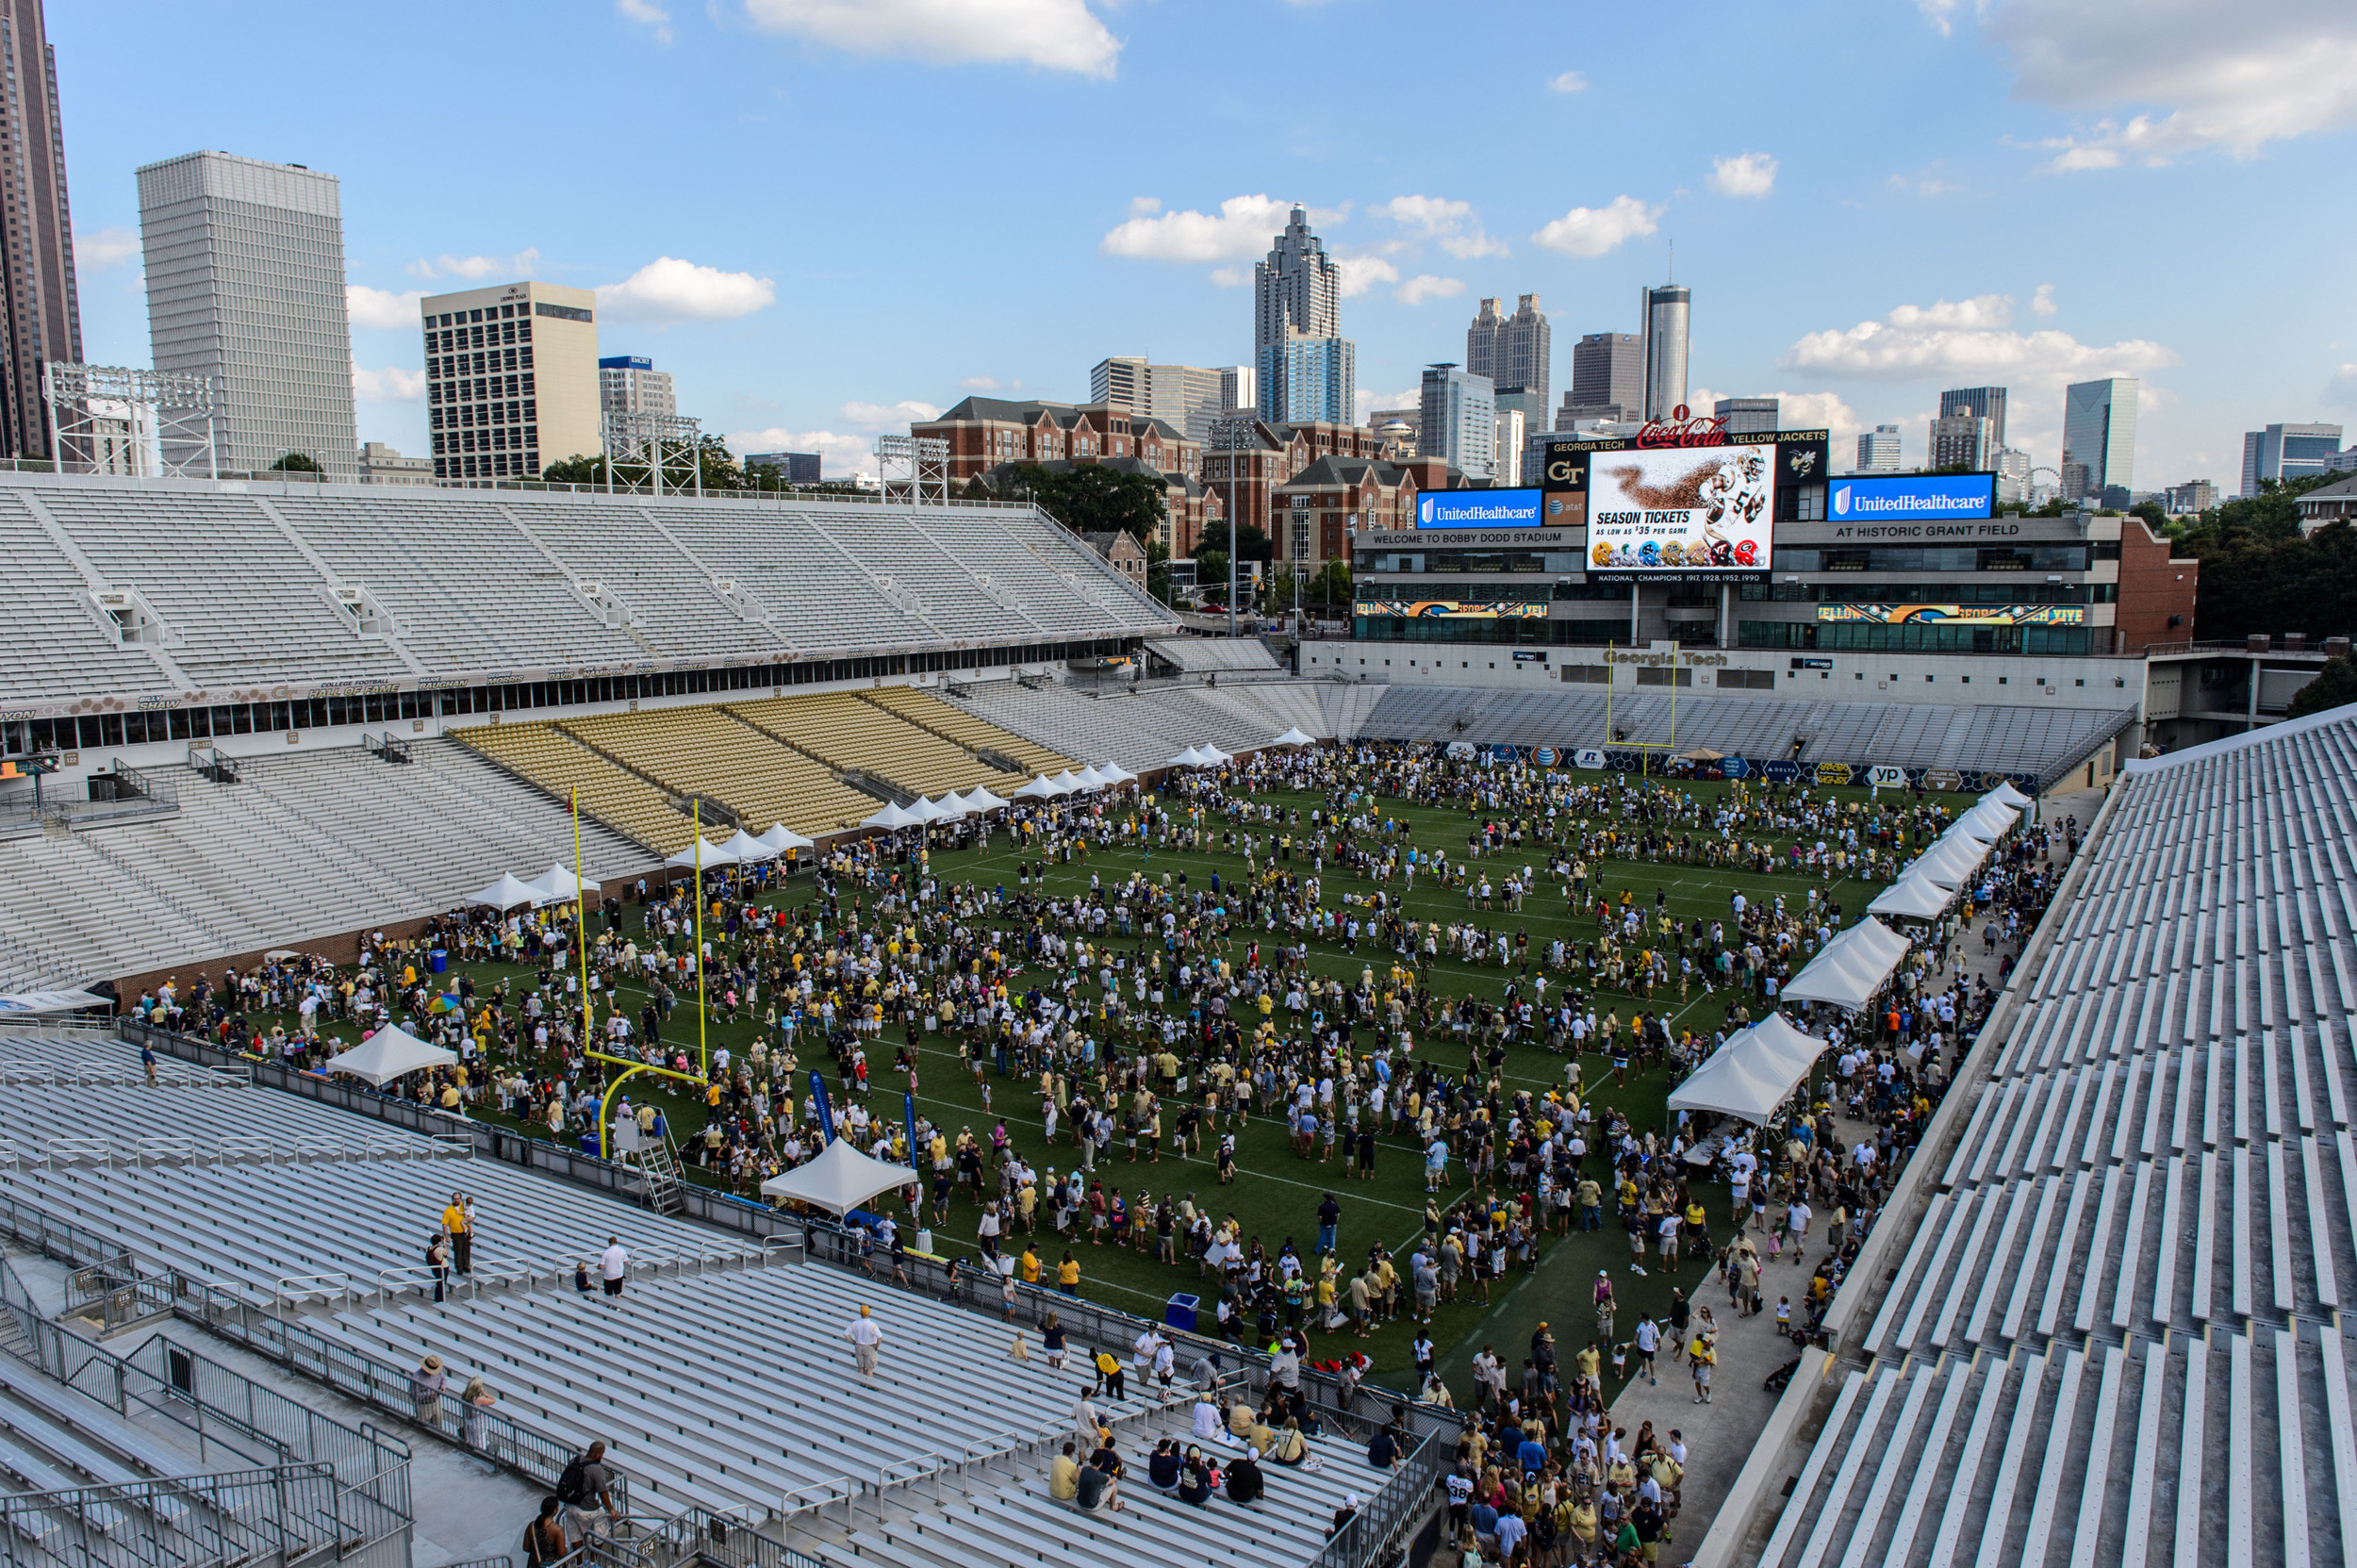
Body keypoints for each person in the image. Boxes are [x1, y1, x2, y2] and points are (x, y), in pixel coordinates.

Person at [556, 1442, 618, 1541]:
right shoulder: (597, 1470)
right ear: (598, 1454)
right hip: (587, 1509)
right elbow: (603, 1493)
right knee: (599, 1536)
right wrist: (611, 1510)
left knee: (575, 1537)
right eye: (602, 1454)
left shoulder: (574, 1460)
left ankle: (579, 1552)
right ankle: (594, 1551)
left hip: (570, 1506)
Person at [521, 1498, 569, 1565]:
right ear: (554, 1510)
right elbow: (561, 1553)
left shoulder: (531, 1526)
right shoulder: (557, 1530)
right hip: (551, 1565)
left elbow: (526, 1548)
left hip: (533, 1564)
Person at [844, 1304, 884, 1381]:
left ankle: (861, 1384)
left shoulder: (855, 1324)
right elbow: (880, 1337)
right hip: (870, 1347)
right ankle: (869, 1384)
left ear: (861, 1313)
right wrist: (876, 1346)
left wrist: (853, 1342)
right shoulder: (872, 1325)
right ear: (869, 1313)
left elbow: (846, 1334)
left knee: (861, 1367)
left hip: (859, 1346)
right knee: (869, 1368)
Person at [410, 1354, 447, 1427]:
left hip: (436, 1402)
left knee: (438, 1425)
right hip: (423, 1405)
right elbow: (413, 1395)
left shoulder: (438, 1372)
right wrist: (428, 1394)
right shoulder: (417, 1377)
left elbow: (444, 1379)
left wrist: (443, 1386)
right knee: (424, 1426)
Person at [462, 1376, 497, 1450]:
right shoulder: (478, 1399)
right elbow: (493, 1400)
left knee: (470, 1443)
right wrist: (484, 1393)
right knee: (481, 1446)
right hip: (478, 1426)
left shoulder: (464, 1396)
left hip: (468, 1423)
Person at [442, 1192, 473, 1276]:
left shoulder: (464, 1206)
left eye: (458, 1199)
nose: (456, 1201)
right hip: (456, 1233)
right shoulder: (448, 1210)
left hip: (466, 1232)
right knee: (458, 1250)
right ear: (452, 1199)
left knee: (466, 1248)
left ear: (461, 1199)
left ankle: (466, 1265)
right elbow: (444, 1224)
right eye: (454, 1199)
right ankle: (459, 1267)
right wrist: (447, 1236)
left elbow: (471, 1214)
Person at [598, 1236, 630, 1302]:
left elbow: (600, 1266)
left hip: (609, 1276)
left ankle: (610, 1305)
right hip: (619, 1275)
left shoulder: (606, 1252)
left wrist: (598, 1267)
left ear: (609, 1243)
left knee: (609, 1294)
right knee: (618, 1293)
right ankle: (617, 1306)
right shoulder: (622, 1250)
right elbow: (626, 1262)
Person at [426, 1232, 452, 1305]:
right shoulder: (439, 1249)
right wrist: (444, 1244)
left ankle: (437, 1298)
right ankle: (440, 1300)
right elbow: (446, 1253)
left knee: (439, 1283)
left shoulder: (430, 1248)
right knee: (442, 1284)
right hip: (443, 1267)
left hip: (436, 1268)